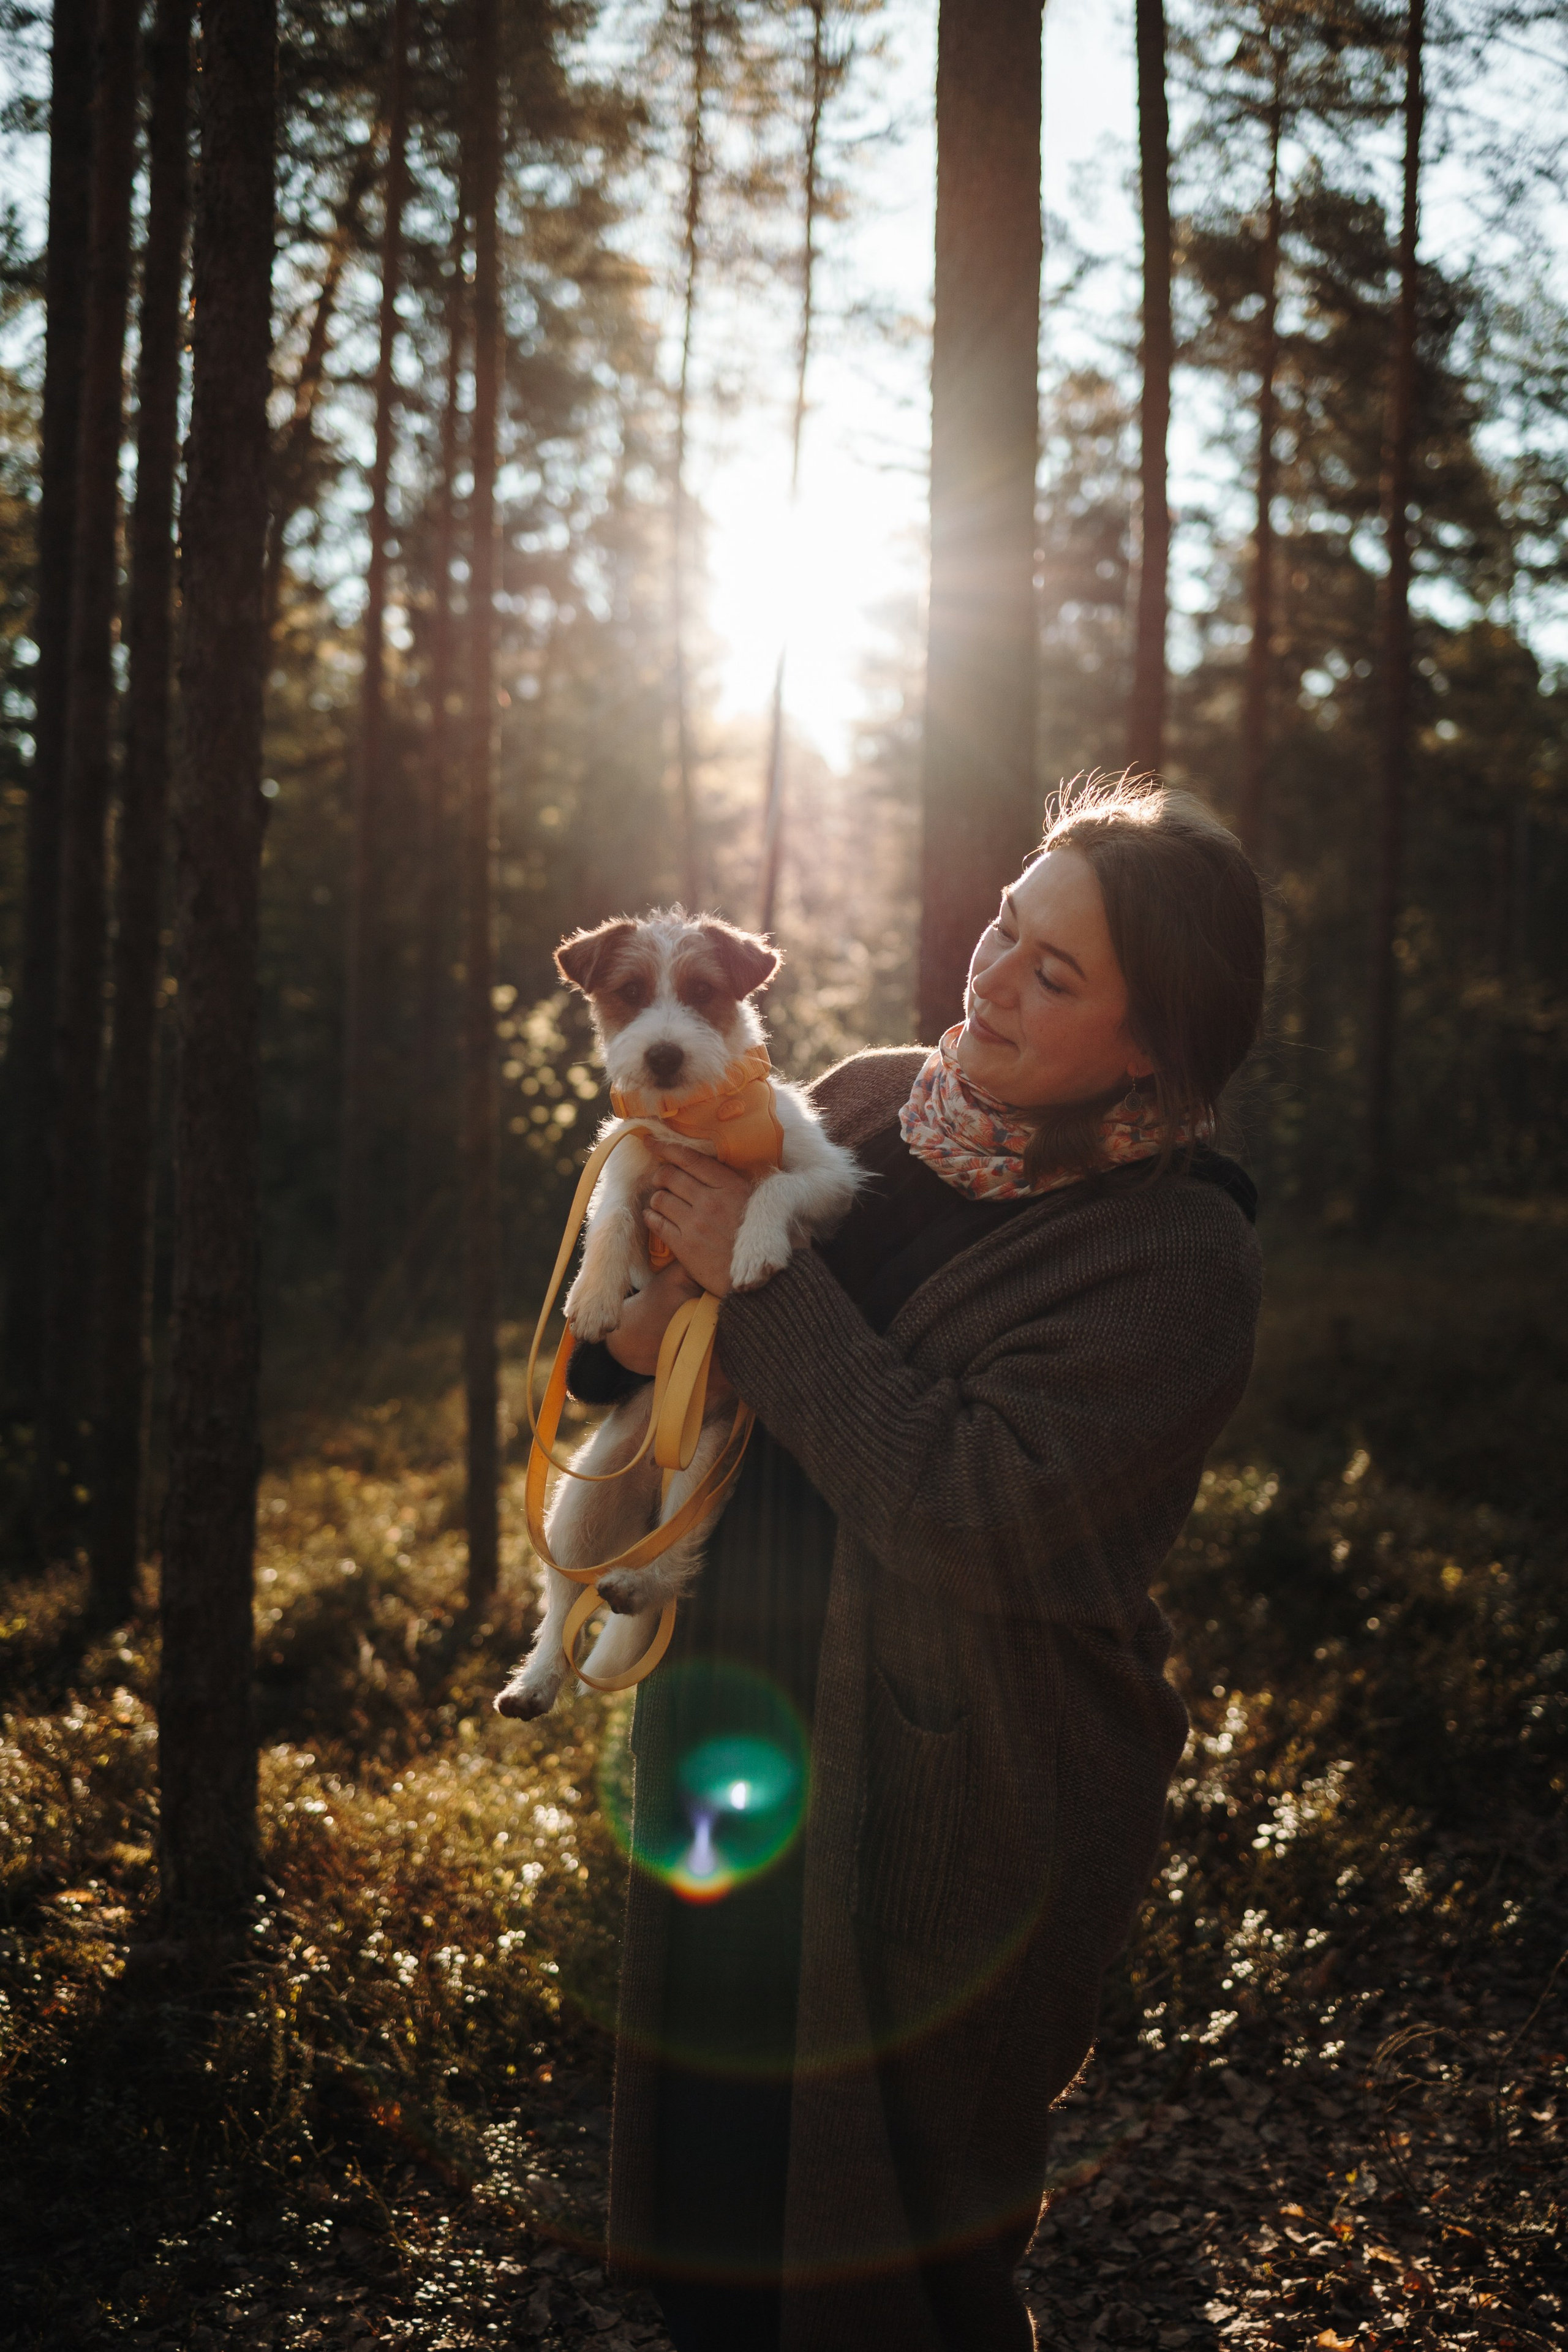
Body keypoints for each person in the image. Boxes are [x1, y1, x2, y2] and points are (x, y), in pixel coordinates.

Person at [564, 774, 1266, 2352]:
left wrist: (747, 1291)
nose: (994, 980)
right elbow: (657, 1329)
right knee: (715, 2215)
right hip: (737, 1723)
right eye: (1007, 928)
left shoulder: (1174, 1254)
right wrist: (623, 1335)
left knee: (887, 2262)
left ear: (1154, 1044)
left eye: (1055, 974)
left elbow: (977, 1501)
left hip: (947, 1807)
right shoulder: (877, 1097)